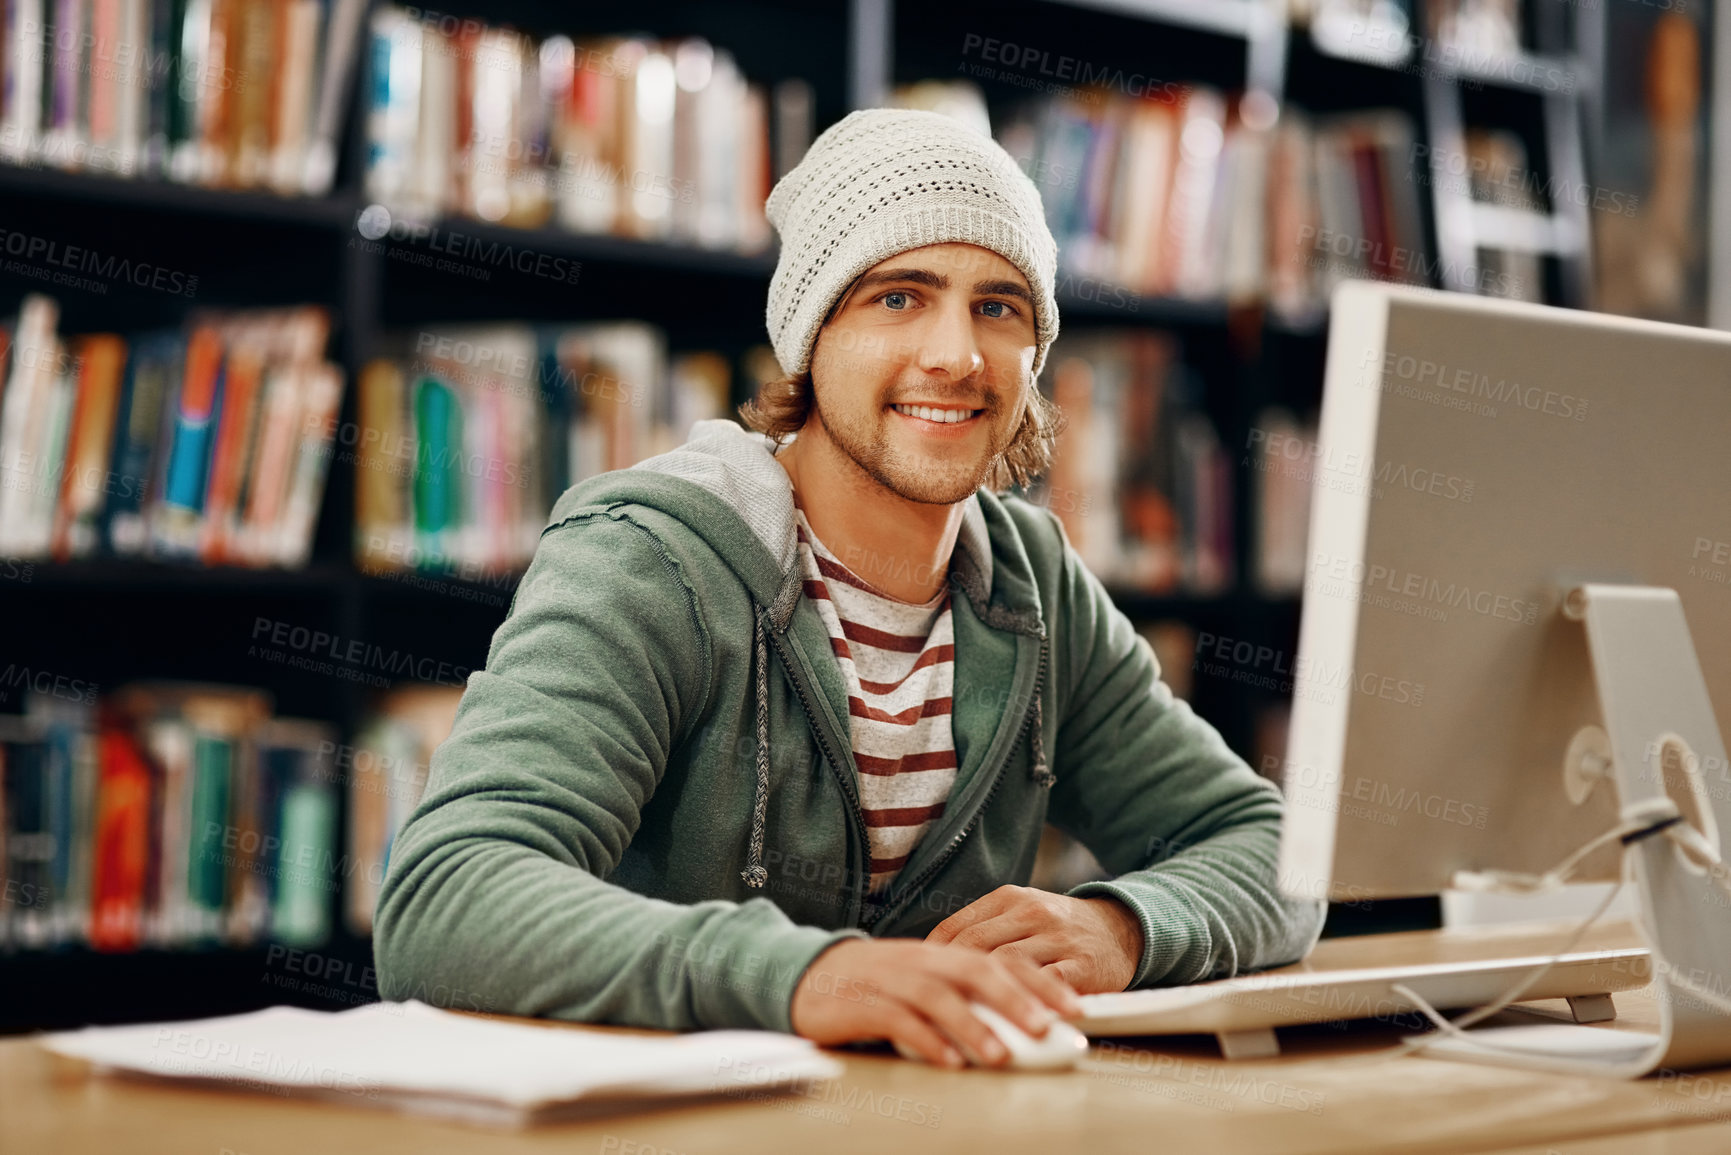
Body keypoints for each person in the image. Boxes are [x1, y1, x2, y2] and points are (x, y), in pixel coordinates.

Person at [374, 108, 1324, 1069]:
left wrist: (1124, 926)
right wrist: (807, 976)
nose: (955, 355)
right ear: (809, 334)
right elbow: (445, 899)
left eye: (997, 306)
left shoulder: (1035, 587)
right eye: (898, 298)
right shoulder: (650, 560)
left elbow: (1275, 854)